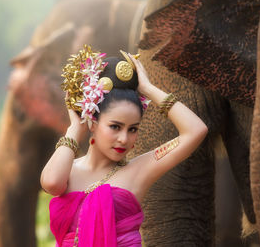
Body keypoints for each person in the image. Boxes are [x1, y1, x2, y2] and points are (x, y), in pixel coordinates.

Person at [40, 47, 208, 247]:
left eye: (133, 129)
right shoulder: (69, 170)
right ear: (92, 122)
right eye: (115, 127)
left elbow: (196, 130)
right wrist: (75, 129)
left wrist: (148, 89)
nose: (124, 139)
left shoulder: (139, 170)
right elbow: (51, 183)